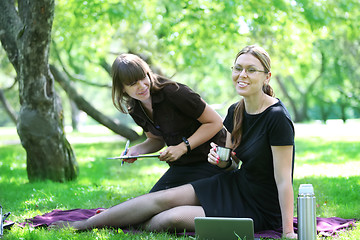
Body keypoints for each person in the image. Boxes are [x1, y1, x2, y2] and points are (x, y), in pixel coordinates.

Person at [49, 45, 297, 239]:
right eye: (238, 68)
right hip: (234, 185)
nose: (242, 75)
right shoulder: (236, 110)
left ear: (267, 77)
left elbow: (284, 179)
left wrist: (287, 231)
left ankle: (116, 221)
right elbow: (231, 158)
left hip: (261, 206)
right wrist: (221, 162)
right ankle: (82, 225)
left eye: (251, 70)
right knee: (158, 200)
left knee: (170, 219)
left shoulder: (277, 119)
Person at [111, 53, 227, 192]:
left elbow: (215, 122)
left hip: (212, 161)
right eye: (133, 83)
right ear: (122, 88)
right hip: (182, 166)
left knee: (170, 206)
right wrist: (136, 151)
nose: (142, 86)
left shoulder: (175, 92)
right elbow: (156, 139)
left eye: (143, 77)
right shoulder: (135, 108)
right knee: (150, 203)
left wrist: (183, 147)